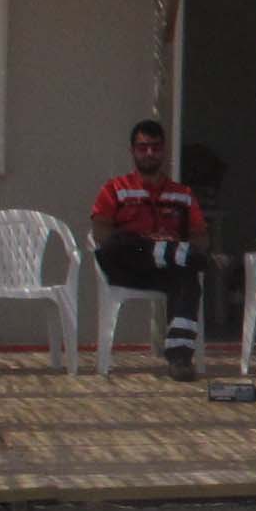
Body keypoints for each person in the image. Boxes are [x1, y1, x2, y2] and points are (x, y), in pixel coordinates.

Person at [88, 118, 208, 381]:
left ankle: (180, 358)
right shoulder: (114, 189)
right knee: (117, 244)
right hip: (128, 267)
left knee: (187, 276)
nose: (149, 153)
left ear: (163, 150)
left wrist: (172, 253)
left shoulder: (182, 193)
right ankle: (169, 252)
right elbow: (101, 234)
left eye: (155, 147)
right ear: (133, 151)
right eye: (143, 148)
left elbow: (200, 237)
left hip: (166, 271)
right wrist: (153, 248)